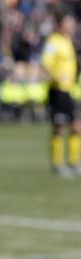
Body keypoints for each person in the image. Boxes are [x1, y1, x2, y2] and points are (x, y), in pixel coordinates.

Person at [41, 12, 80, 177]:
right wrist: (57, 76)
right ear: (60, 24)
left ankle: (74, 163)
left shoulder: (69, 41)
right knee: (59, 127)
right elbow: (45, 63)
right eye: (68, 22)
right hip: (58, 90)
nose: (72, 25)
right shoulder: (53, 41)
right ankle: (58, 164)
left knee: (77, 126)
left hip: (71, 90)